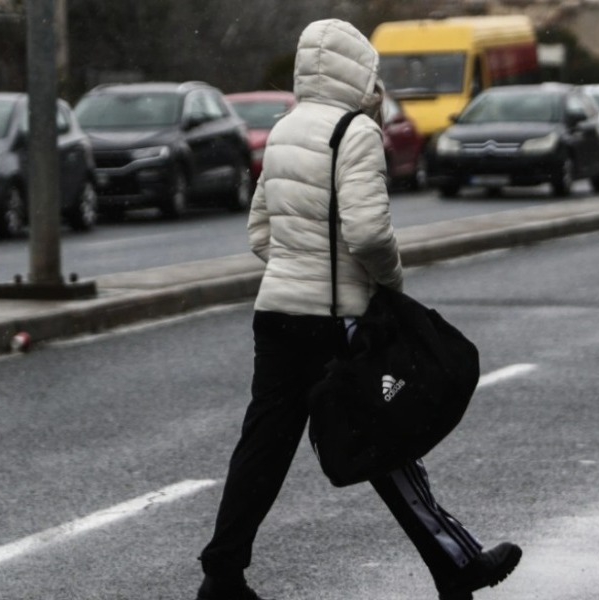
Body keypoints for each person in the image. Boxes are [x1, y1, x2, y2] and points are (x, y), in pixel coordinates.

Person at [194, 19, 521, 600]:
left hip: (276, 316)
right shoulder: (356, 133)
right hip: (333, 319)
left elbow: (259, 234)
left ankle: (222, 574)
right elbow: (369, 235)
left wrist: (299, 264)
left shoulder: (285, 129)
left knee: (263, 447)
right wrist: (387, 285)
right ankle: (457, 563)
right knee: (385, 437)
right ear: (358, 70)